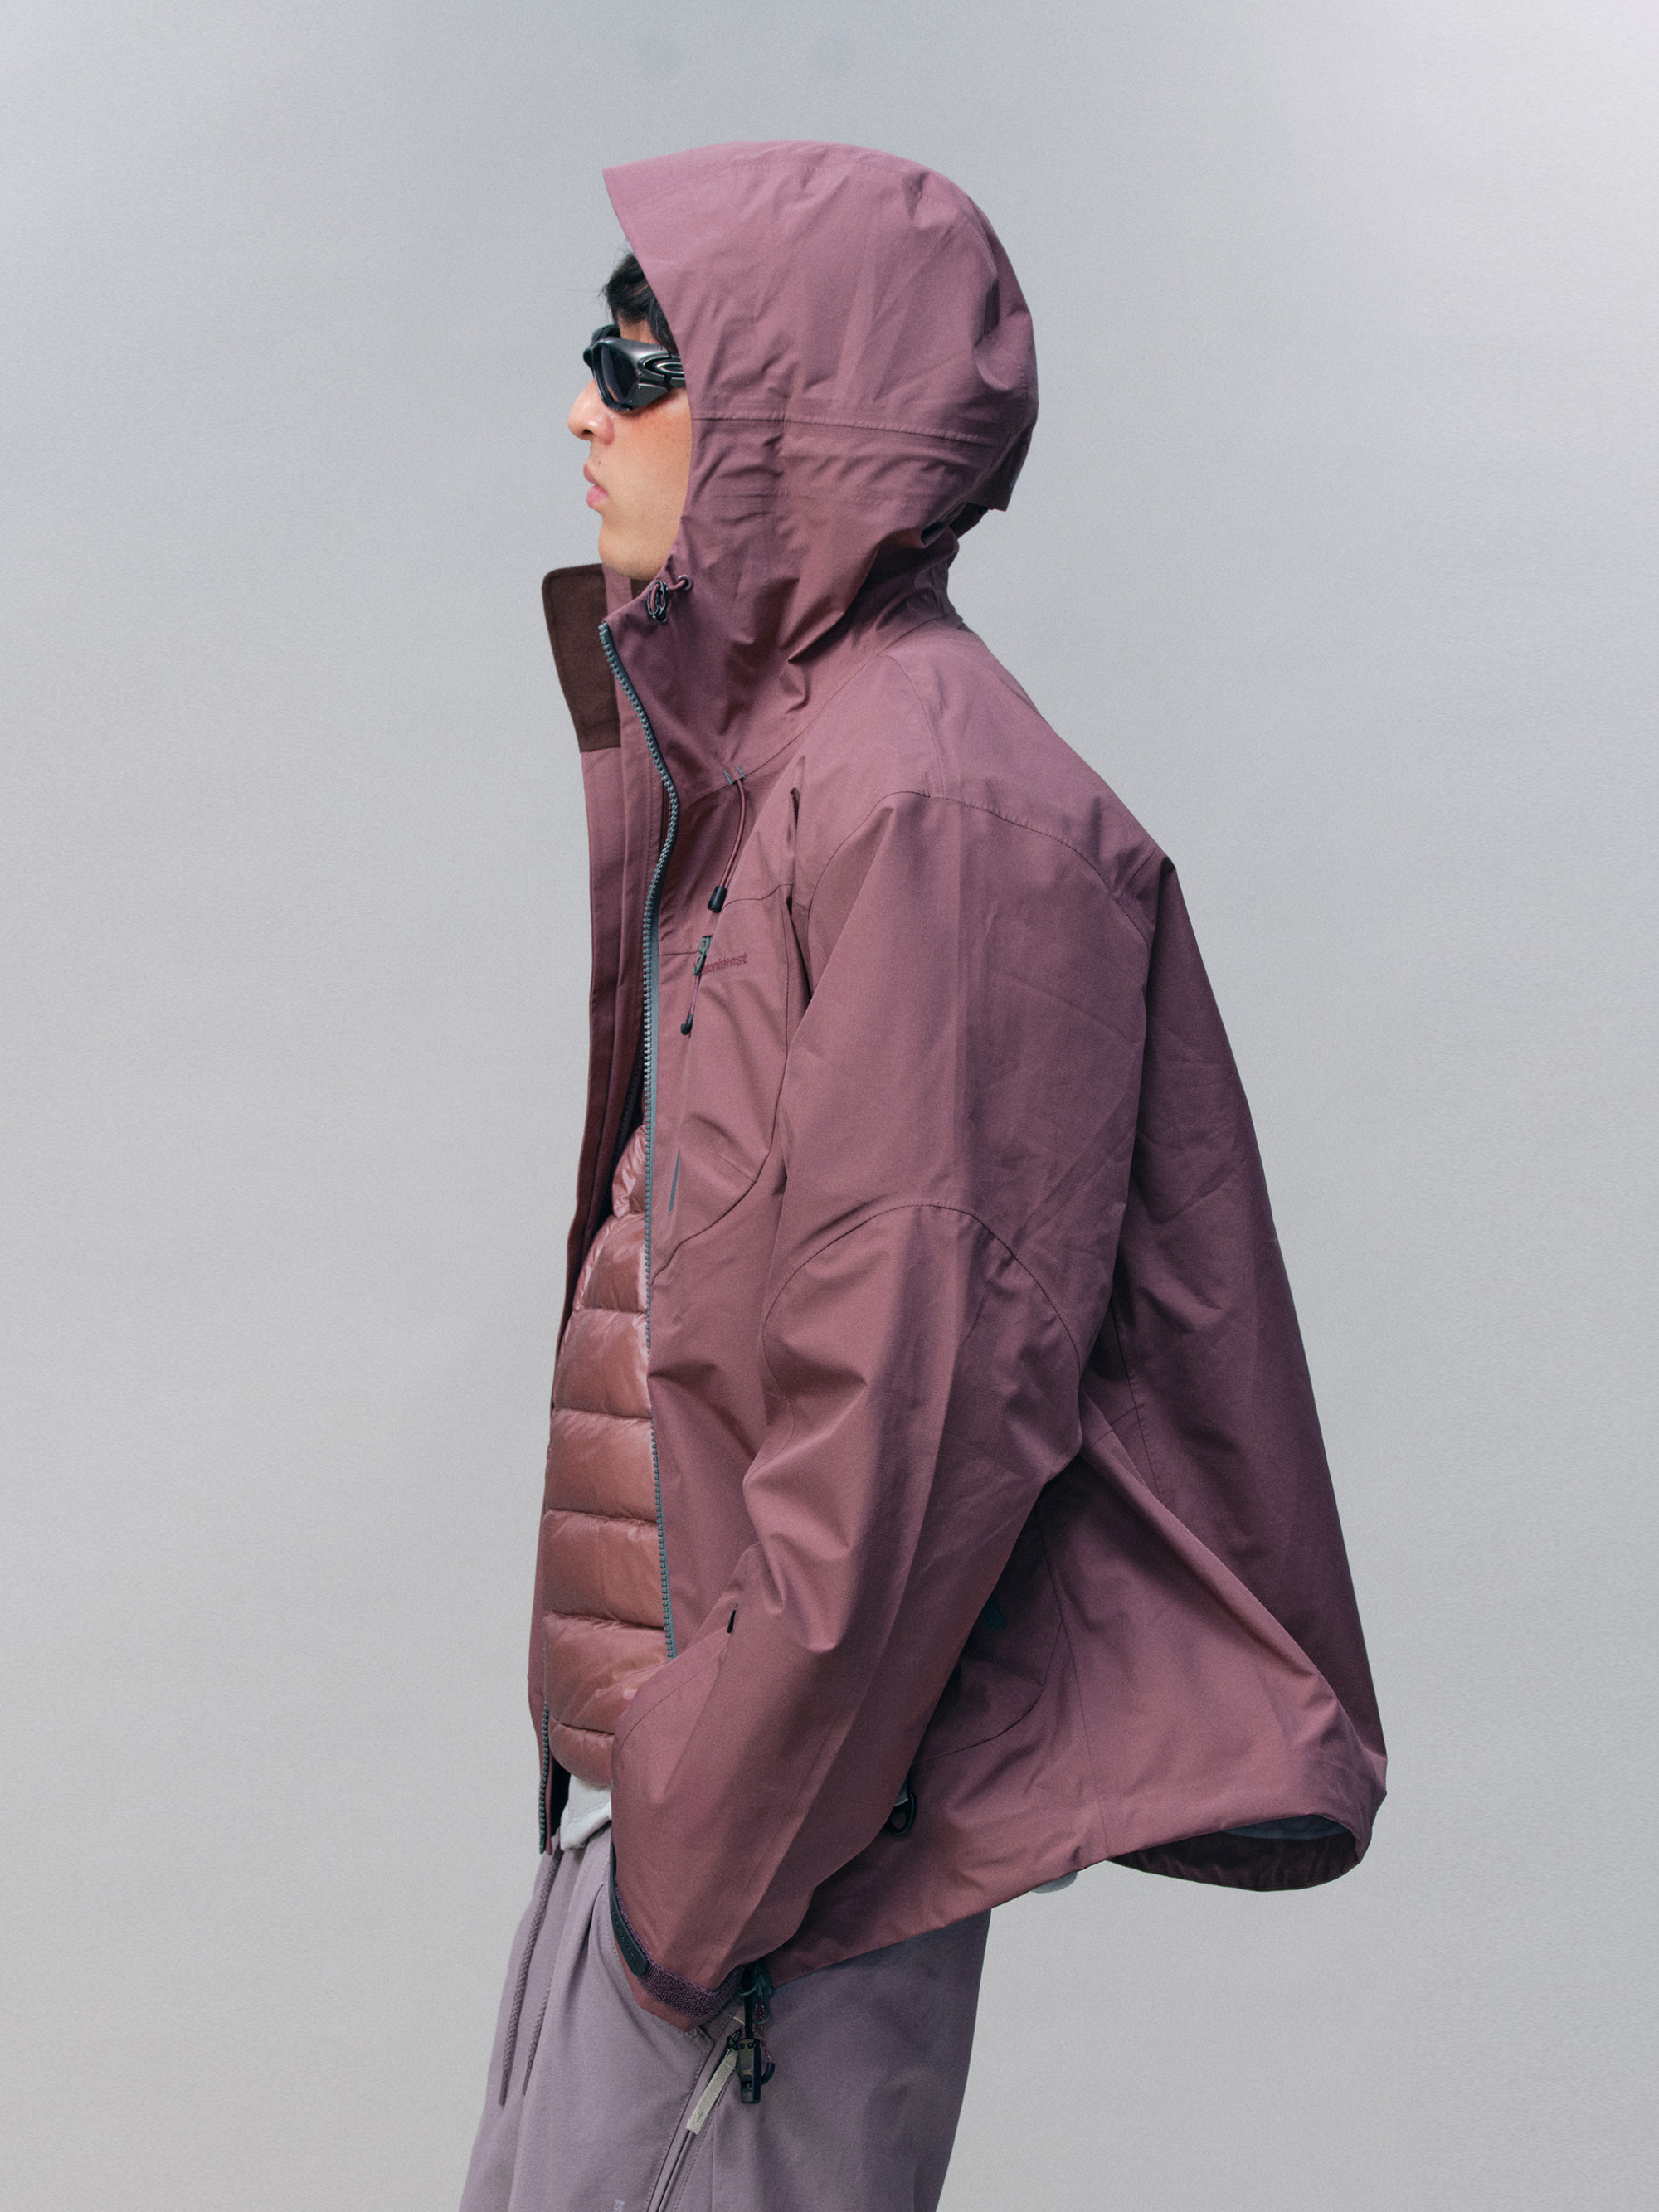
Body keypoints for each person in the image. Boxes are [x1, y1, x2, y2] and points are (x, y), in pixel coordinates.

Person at [457, 140, 1385, 2212]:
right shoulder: (787, 774)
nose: (582, 410)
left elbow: (914, 1419)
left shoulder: (933, 811)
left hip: (762, 1912)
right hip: (670, 1861)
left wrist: (690, 1892)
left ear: (796, 413)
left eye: (638, 357)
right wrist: (640, 1860)